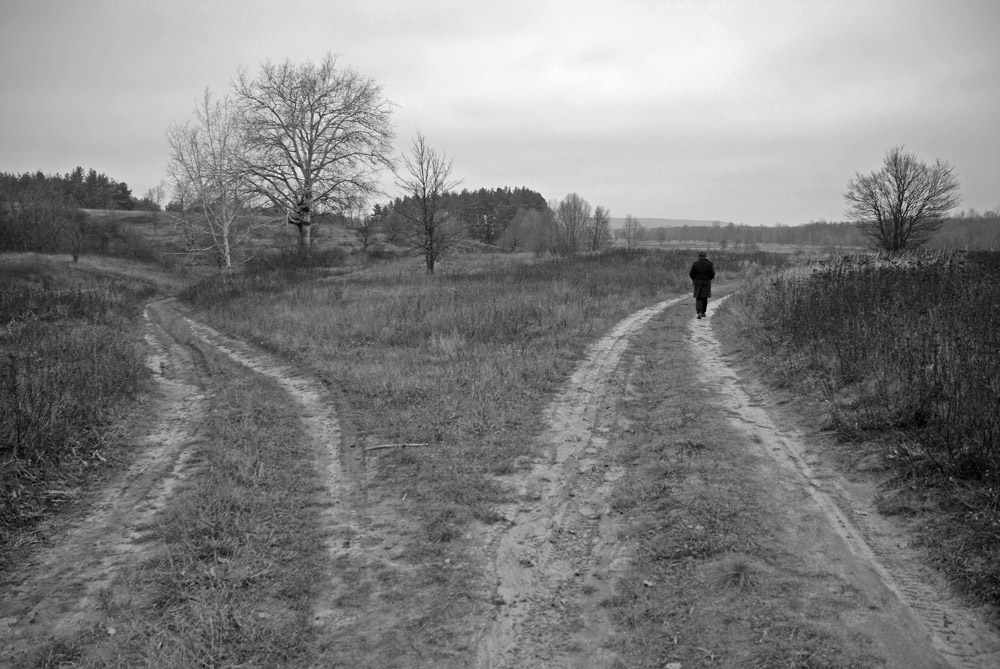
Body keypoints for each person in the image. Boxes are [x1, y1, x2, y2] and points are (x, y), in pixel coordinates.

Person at [689, 251, 715, 319]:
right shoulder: (710, 264)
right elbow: (712, 274)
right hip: (706, 282)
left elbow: (691, 273)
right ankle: (703, 312)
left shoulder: (695, 263)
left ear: (699, 256)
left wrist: (694, 279)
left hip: (697, 282)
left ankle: (699, 311)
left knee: (698, 297)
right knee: (704, 297)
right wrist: (709, 279)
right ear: (705, 256)